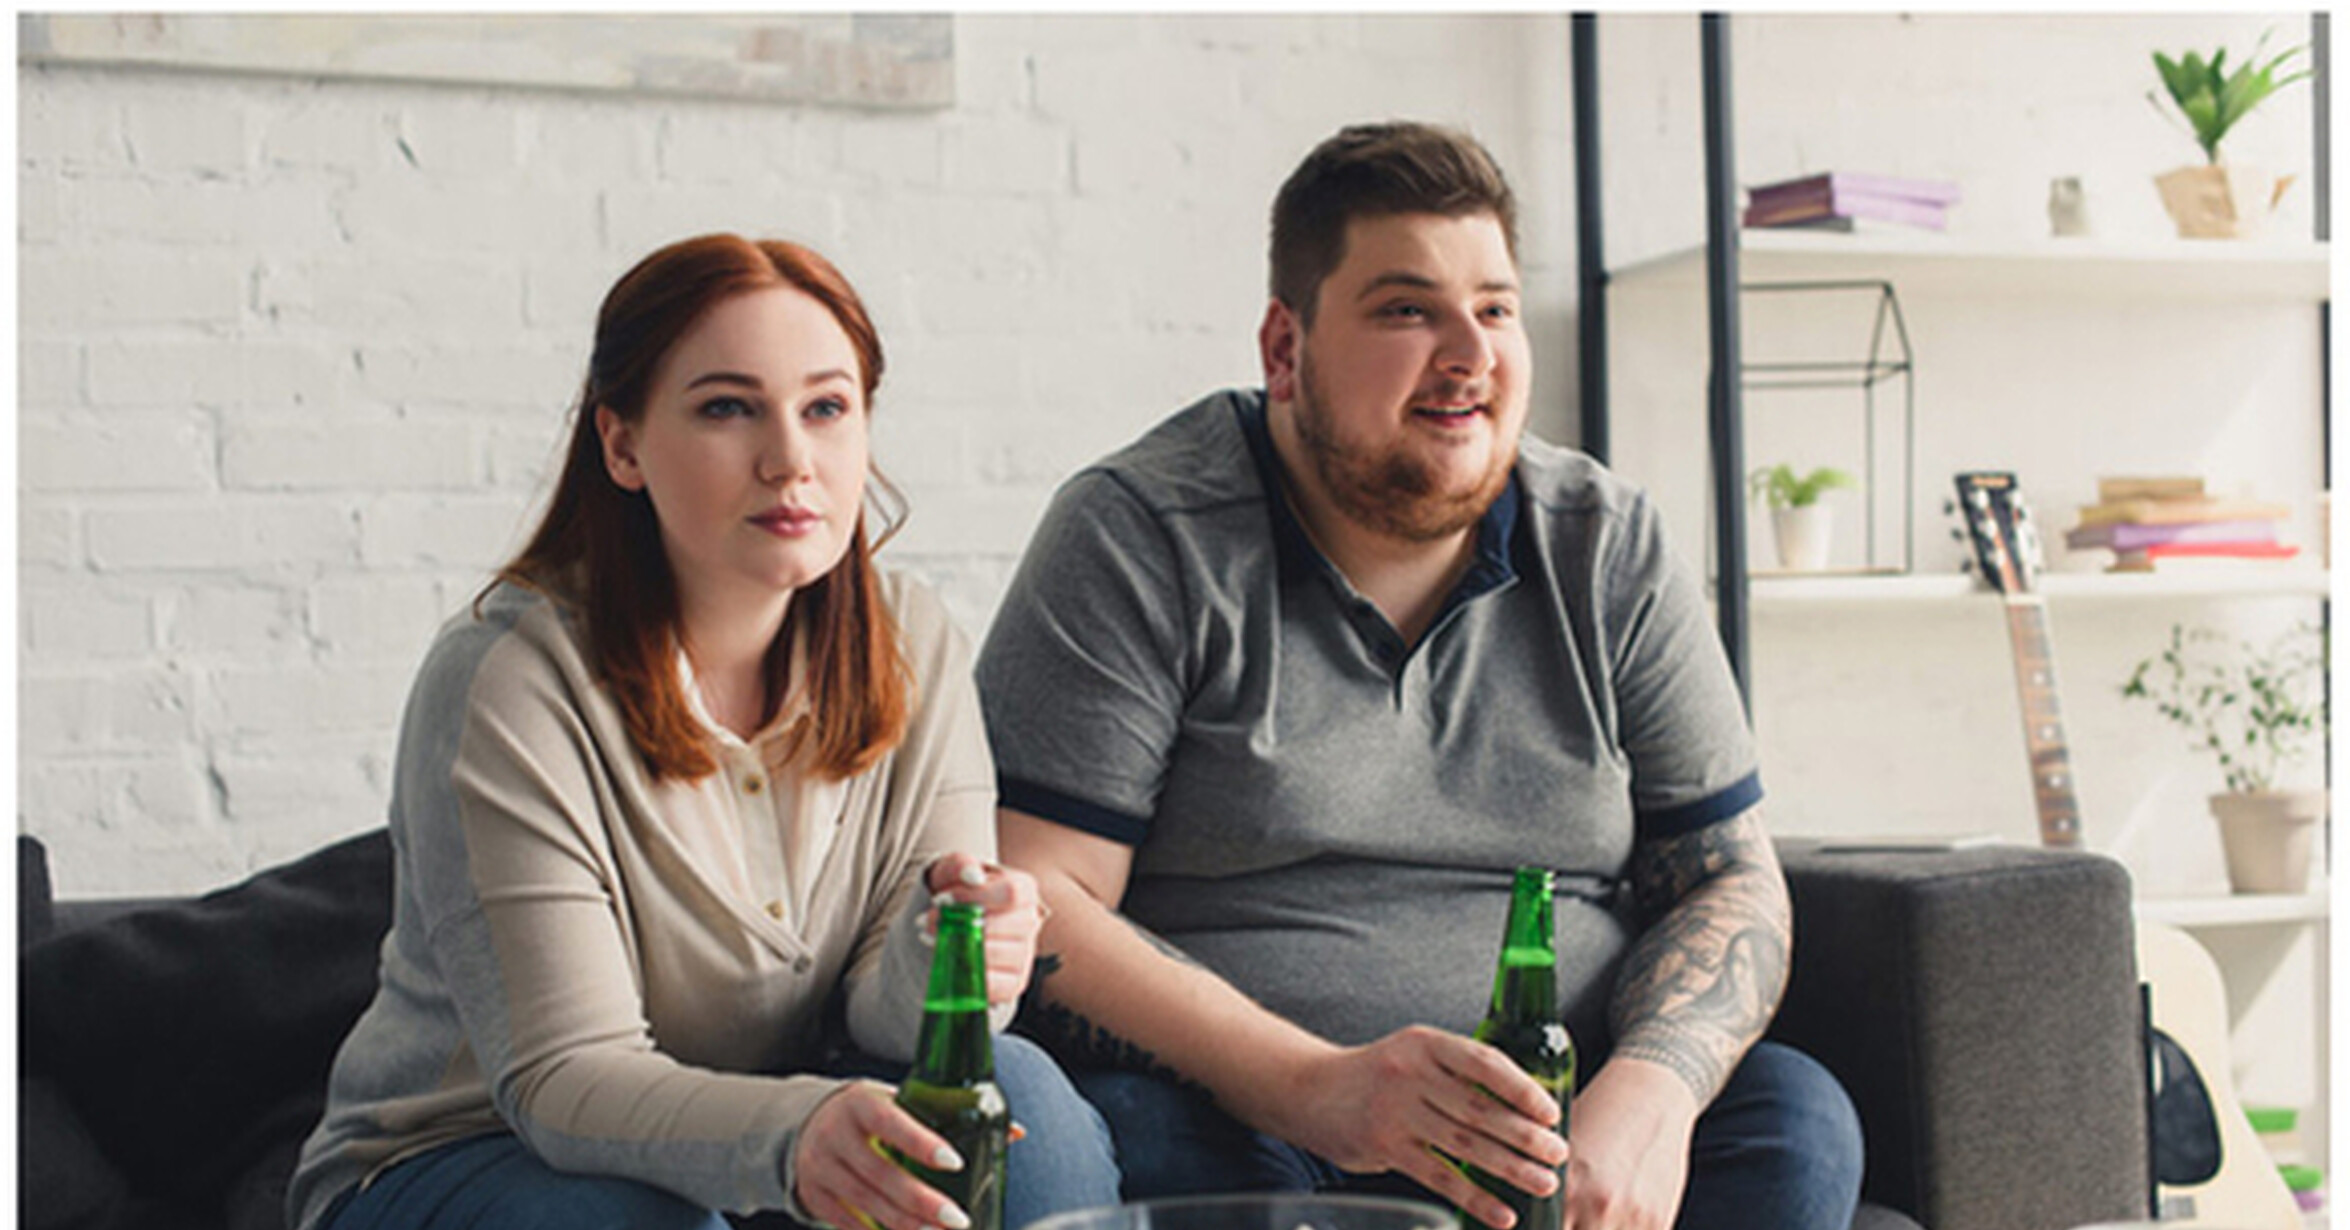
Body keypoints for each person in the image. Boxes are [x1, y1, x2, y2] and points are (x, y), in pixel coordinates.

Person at [977, 123, 1864, 1230]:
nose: (1469, 355)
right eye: (1408, 310)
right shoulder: (1139, 533)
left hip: (1548, 1117)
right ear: (1285, 347)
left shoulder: (1608, 545)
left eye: (1494, 309)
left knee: (1795, 1117)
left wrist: (1650, 1094)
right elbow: (1038, 897)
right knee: (1117, 1126)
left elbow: (1729, 878)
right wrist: (1317, 1088)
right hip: (1249, 1118)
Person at [288, 234, 1118, 1230]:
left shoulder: (911, 642)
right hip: (475, 1151)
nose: (789, 460)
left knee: (1025, 1106)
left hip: (787, 1106)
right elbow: (562, 1077)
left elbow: (893, 1020)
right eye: (728, 408)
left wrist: (945, 955)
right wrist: (798, 1134)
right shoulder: (506, 680)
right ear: (622, 446)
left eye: (826, 409)